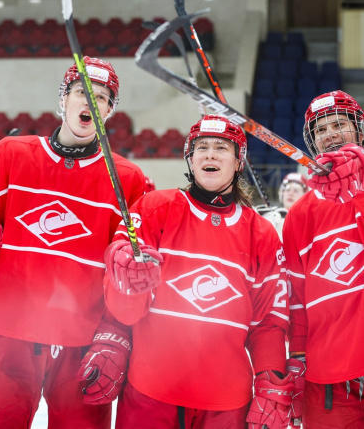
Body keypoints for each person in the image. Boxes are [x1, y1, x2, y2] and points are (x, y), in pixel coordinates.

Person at [0, 57, 146, 428]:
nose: (90, 102)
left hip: (81, 342)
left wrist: (116, 333)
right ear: (64, 100)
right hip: (6, 333)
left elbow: (124, 271)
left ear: (109, 110)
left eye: (102, 97)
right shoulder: (10, 154)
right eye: (81, 92)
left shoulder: (127, 178)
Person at [103, 114, 294, 428]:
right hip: (151, 393)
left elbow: (268, 322)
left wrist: (270, 378)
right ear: (190, 160)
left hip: (226, 403)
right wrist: (125, 279)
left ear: (238, 162)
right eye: (201, 147)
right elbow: (125, 313)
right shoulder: (153, 209)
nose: (210, 154)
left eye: (221, 148)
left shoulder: (260, 233)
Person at [283, 89, 364, 428]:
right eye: (321, 129)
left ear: (359, 130)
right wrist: (297, 362)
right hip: (331, 377)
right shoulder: (301, 213)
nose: (330, 134)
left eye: (338, 124)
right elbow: (297, 299)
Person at [259, 172, 309, 240]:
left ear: (305, 196)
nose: (290, 193)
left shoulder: (309, 221)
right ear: (282, 193)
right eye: (287, 189)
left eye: (296, 190)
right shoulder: (273, 217)